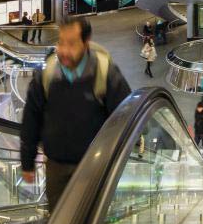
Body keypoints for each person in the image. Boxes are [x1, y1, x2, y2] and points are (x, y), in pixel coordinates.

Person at [20, 17, 132, 210]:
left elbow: (125, 116)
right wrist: (27, 162)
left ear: (86, 42)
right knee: (58, 222)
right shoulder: (47, 75)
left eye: (71, 44)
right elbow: (31, 119)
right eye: (60, 42)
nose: (63, 50)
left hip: (93, 168)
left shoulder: (106, 74)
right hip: (56, 168)